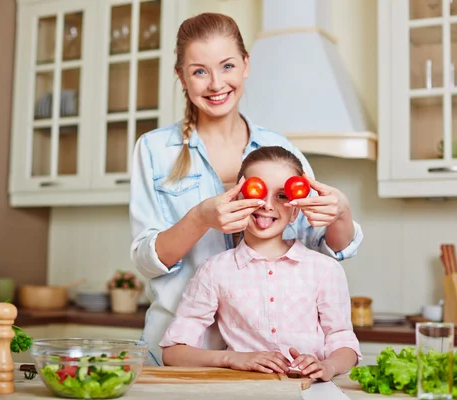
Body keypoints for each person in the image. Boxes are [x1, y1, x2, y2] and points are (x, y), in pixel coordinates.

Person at [129, 12, 364, 366]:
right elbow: (147, 260)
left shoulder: (280, 150)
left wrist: (341, 211)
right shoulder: (154, 150)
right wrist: (201, 217)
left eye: (226, 66)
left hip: (270, 364)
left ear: (245, 65)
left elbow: (321, 248)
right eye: (199, 71)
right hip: (181, 355)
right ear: (181, 76)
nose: (215, 84)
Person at [160, 146, 361, 380]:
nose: (267, 205)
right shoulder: (215, 270)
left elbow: (345, 344)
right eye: (256, 192)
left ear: (295, 211)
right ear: (236, 199)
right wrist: (232, 358)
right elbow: (173, 353)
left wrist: (328, 366)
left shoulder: (325, 270)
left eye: (282, 195)